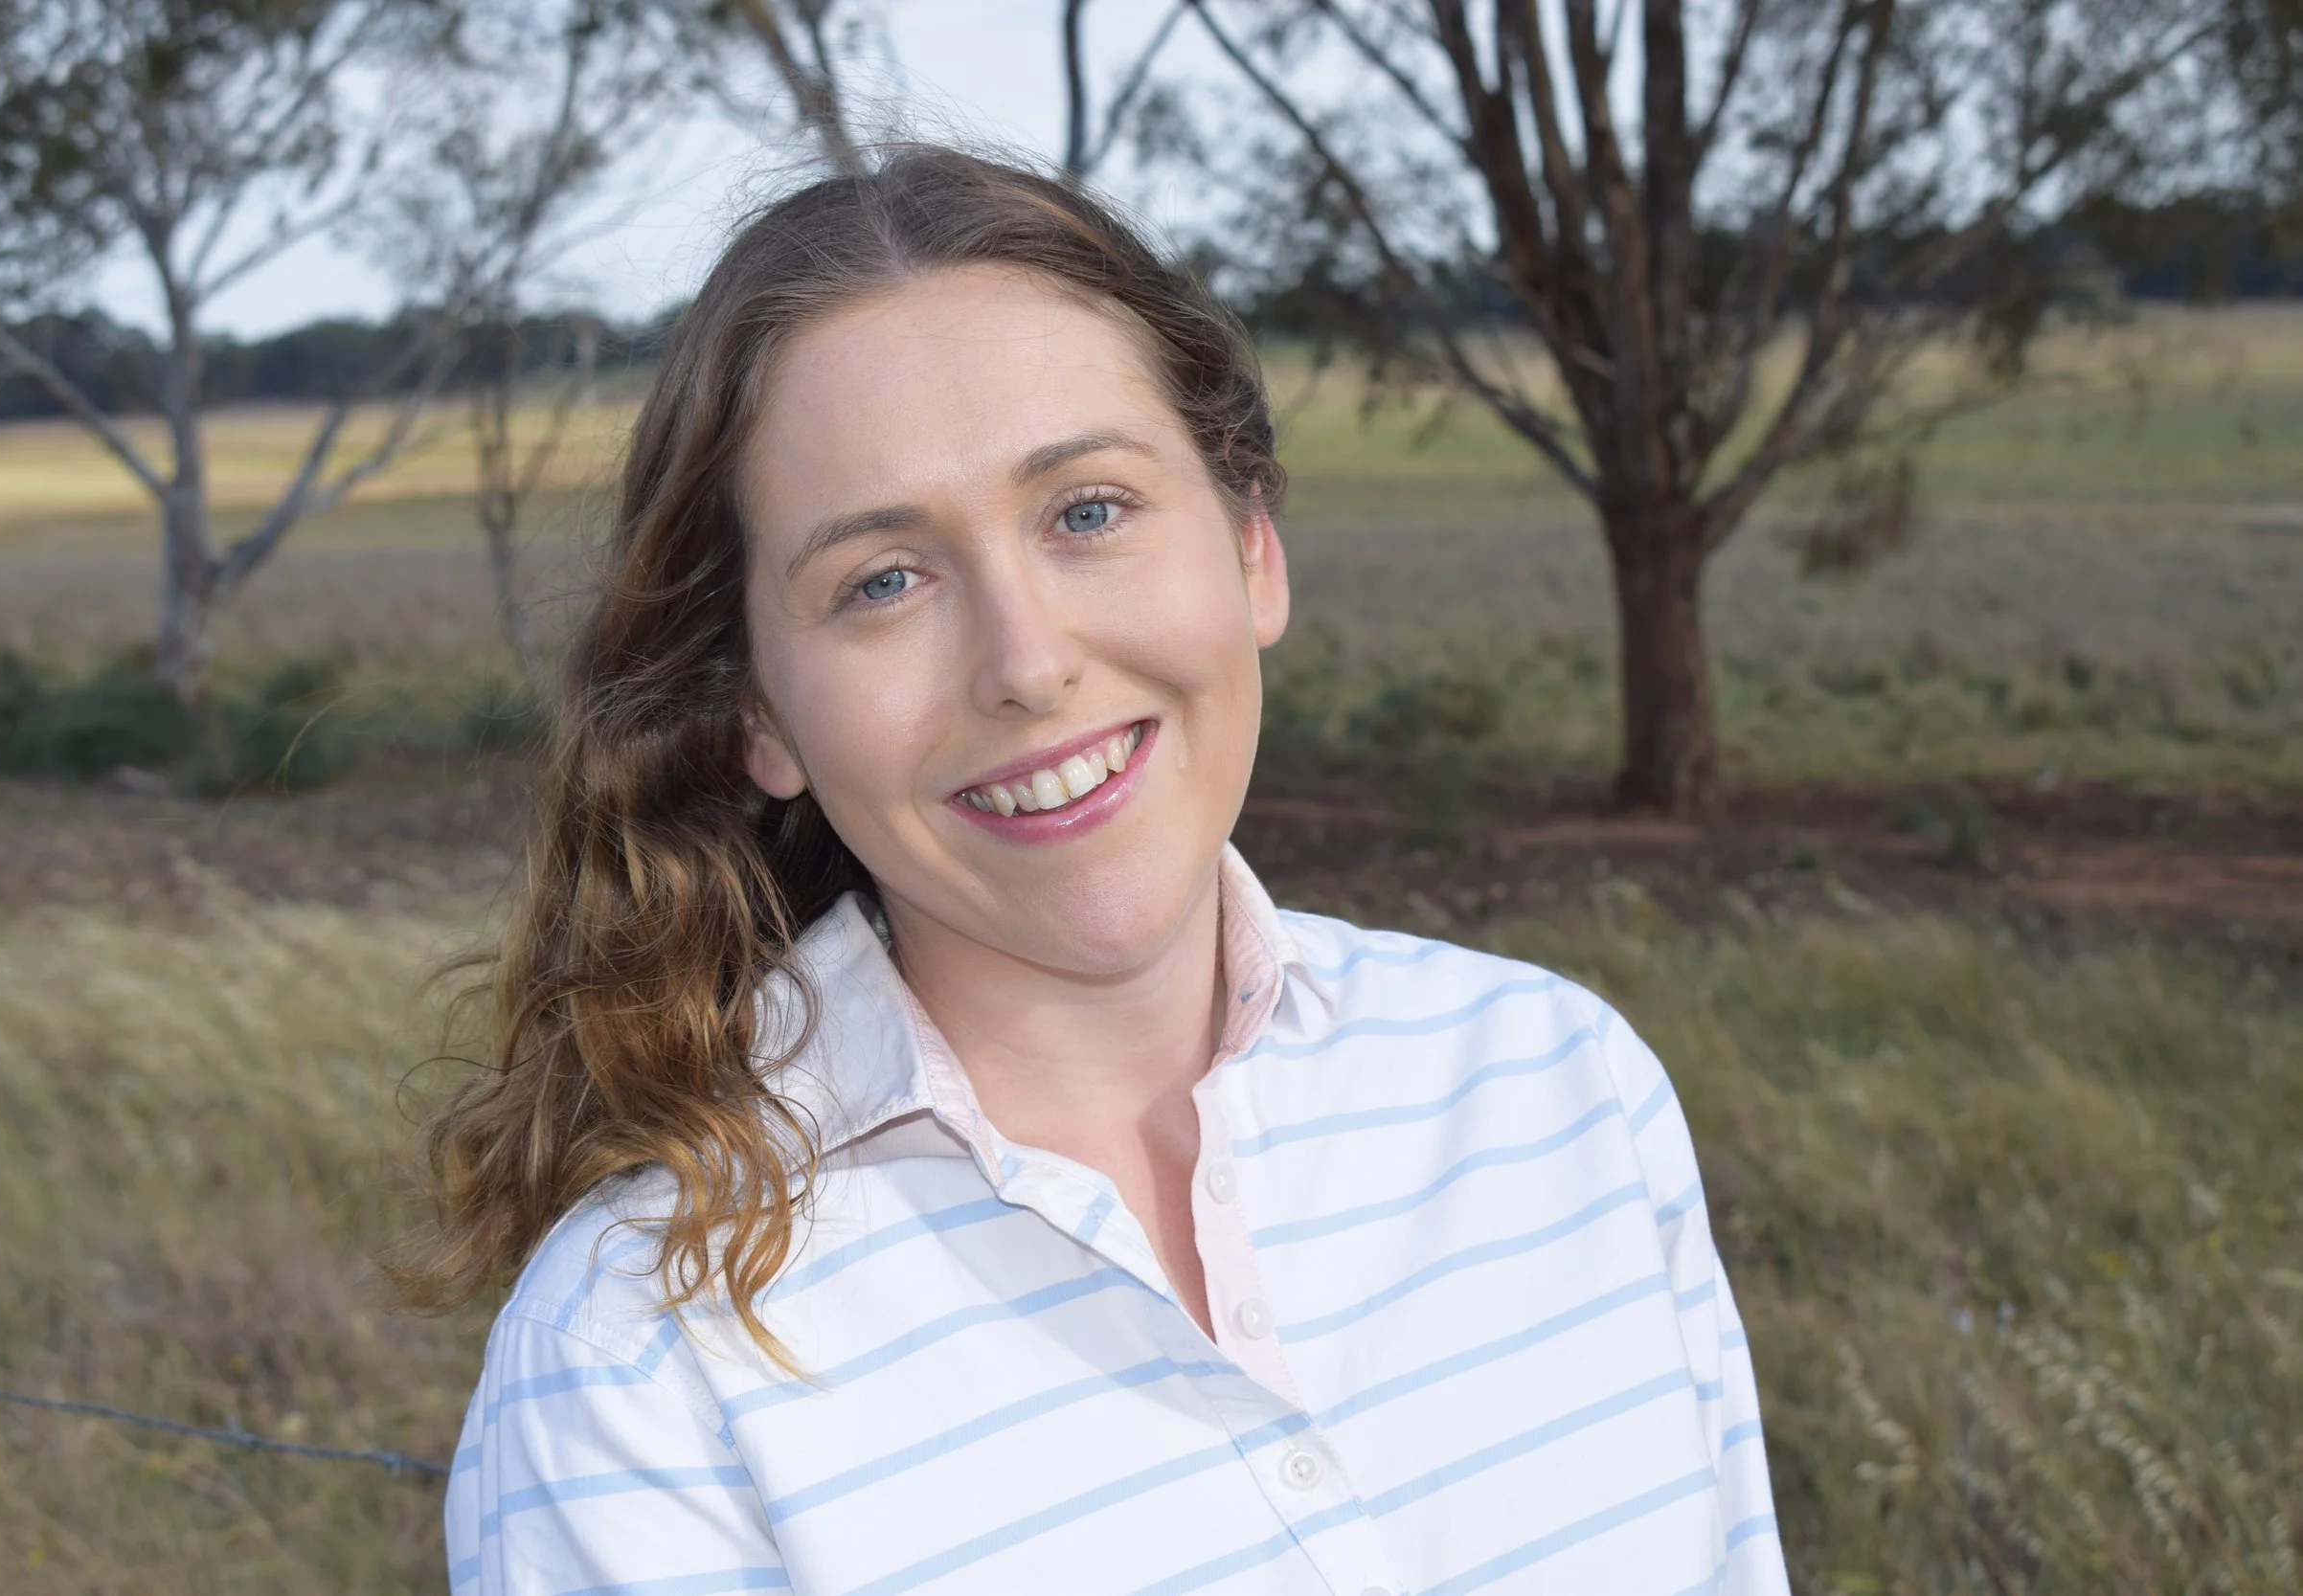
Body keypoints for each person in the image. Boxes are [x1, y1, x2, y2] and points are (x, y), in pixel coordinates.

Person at [410, 146, 1786, 1596]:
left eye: (1086, 511)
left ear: (1253, 545)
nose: (1027, 662)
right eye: (883, 580)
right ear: (759, 713)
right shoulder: (641, 1361)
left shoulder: (1560, 1089)